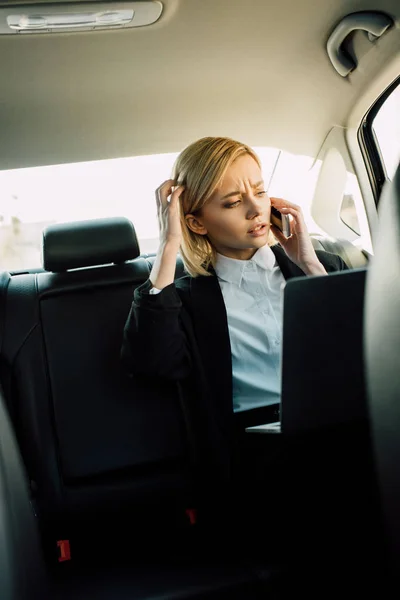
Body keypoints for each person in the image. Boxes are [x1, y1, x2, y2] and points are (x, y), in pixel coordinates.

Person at [121, 136, 347, 530]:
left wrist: (309, 264)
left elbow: (367, 350)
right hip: (257, 455)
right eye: (231, 202)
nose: (255, 208)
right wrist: (169, 245)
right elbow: (153, 363)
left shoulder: (320, 266)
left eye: (259, 191)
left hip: (339, 428)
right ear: (195, 222)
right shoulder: (185, 300)